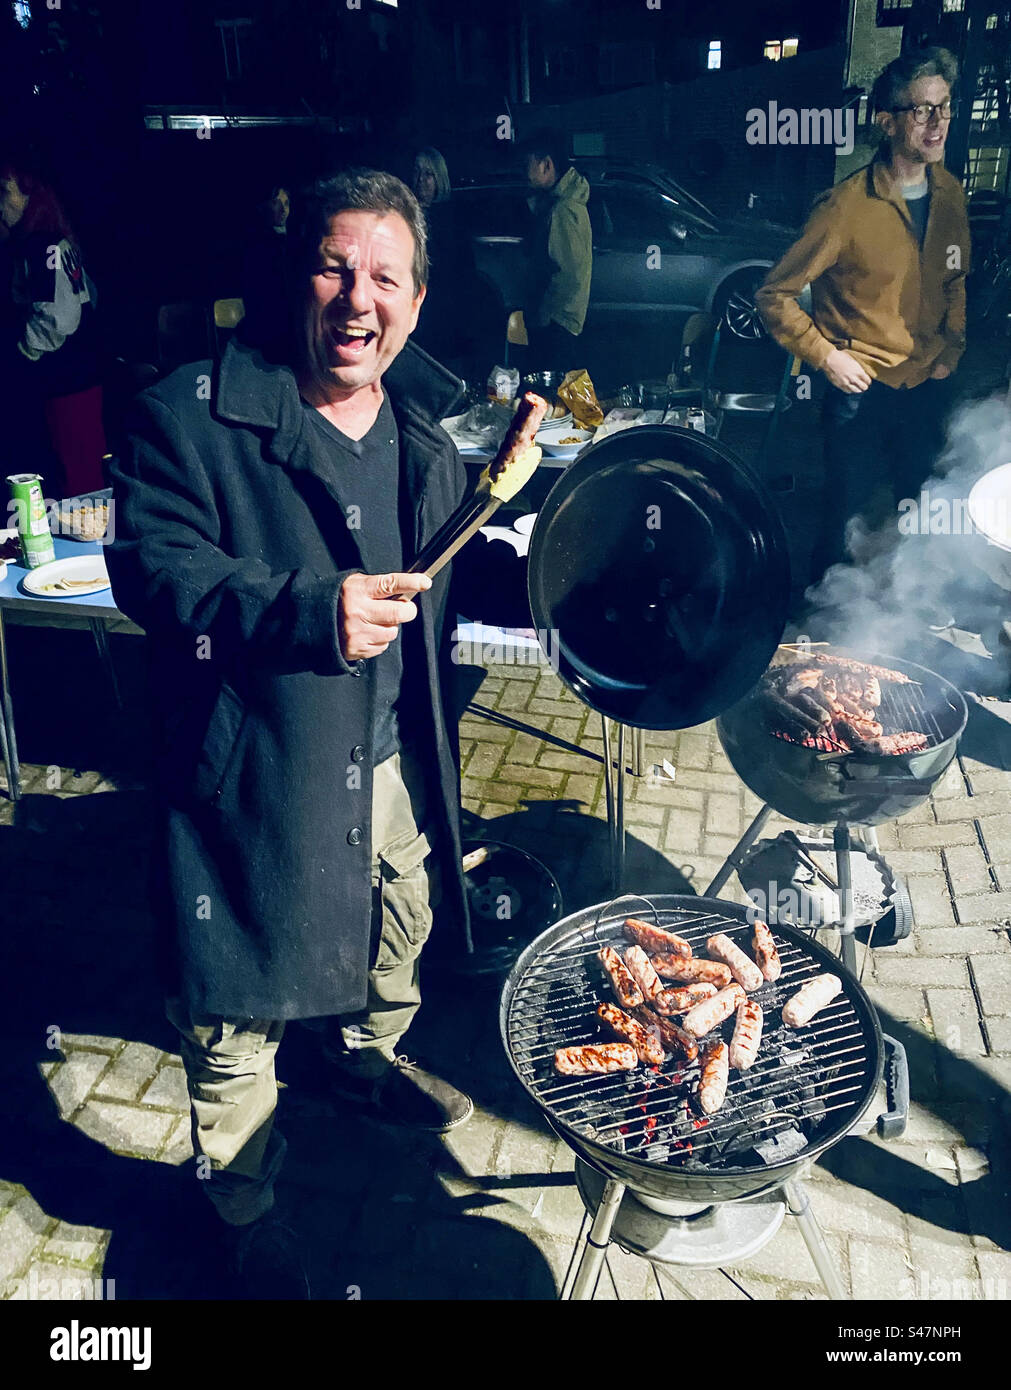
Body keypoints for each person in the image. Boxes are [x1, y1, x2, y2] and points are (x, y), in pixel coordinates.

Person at [105, 168, 474, 1297]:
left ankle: (361, 1055)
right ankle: (244, 1204)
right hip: (251, 763)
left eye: (385, 277)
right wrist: (304, 610)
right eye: (334, 265)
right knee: (234, 1007)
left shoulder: (426, 437)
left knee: (398, 905)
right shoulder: (191, 414)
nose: (356, 299)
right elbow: (152, 567)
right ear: (294, 272)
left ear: (417, 300)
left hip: (383, 750)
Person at [756, 48, 970, 577]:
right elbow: (773, 294)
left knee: (922, 515)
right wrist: (827, 358)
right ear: (887, 122)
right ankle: (821, 629)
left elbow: (955, 278)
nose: (937, 123)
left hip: (926, 383)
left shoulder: (950, 194)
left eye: (944, 107)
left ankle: (908, 614)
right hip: (862, 390)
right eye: (922, 110)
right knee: (843, 522)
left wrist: (953, 347)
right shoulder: (845, 206)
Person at [0, 161, 107, 495]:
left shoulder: (44, 245)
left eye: (6, 192)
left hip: (66, 383)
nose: (1, 203)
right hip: (75, 380)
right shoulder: (48, 243)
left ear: (33, 197)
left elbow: (59, 317)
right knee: (78, 468)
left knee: (77, 474)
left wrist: (20, 356)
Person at [520, 130, 592, 371]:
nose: (524, 171)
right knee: (571, 389)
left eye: (528, 163)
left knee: (562, 392)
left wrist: (544, 314)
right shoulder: (560, 204)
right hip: (562, 319)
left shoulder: (563, 210)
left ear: (546, 165)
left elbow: (567, 273)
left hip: (559, 321)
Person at [239, 182, 293, 354]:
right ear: (263, 207)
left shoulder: (294, 241)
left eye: (286, 203)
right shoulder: (257, 243)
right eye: (277, 203)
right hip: (267, 320)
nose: (283, 209)